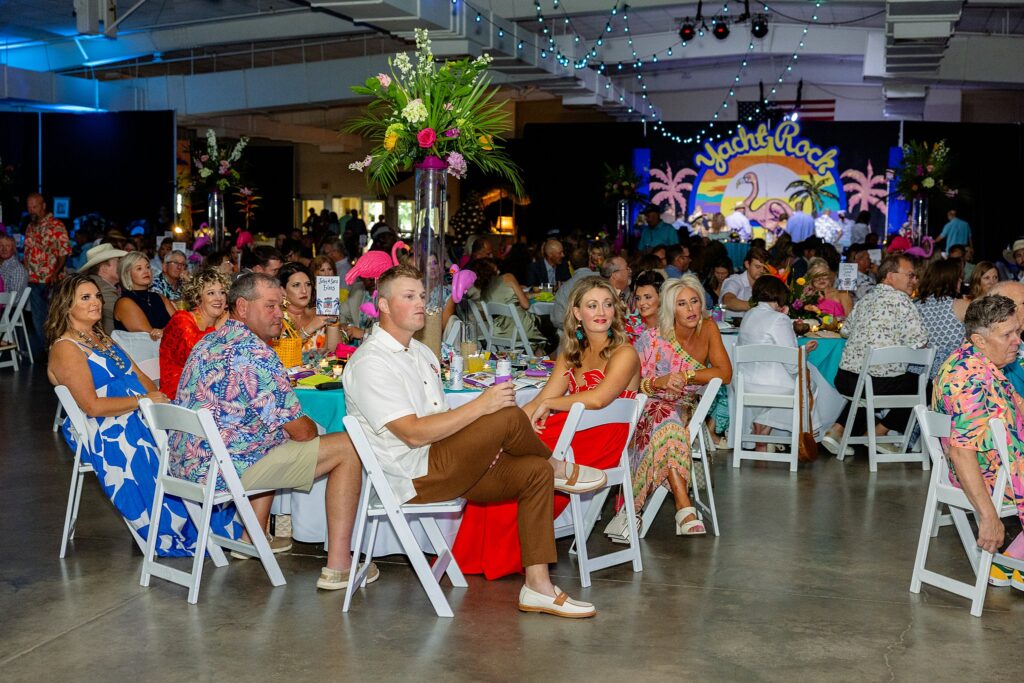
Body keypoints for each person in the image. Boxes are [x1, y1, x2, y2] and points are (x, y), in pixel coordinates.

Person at [344, 264, 605, 617]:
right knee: (508, 414)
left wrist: (484, 438)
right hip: (413, 476)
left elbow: (441, 423)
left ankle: (538, 586)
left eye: (422, 295)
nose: (421, 303)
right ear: (385, 305)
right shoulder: (370, 362)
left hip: (442, 462)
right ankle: (558, 466)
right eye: (409, 297)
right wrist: (482, 409)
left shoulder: (420, 353)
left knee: (533, 472)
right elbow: (413, 433)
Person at [172, 272, 365, 587]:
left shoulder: (210, 338)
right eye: (272, 307)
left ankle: (252, 536)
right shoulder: (256, 352)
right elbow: (303, 433)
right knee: (350, 446)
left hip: (187, 462)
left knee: (270, 434)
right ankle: (340, 566)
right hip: (223, 470)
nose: (280, 315)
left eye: (281, 307)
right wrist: (307, 427)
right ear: (244, 307)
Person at [453, 276, 641, 577]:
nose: (601, 311)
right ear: (578, 313)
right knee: (500, 458)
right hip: (570, 433)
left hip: (601, 439)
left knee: (519, 465)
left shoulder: (625, 353)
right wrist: (509, 424)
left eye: (607, 304)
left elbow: (599, 399)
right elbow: (541, 399)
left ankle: (498, 556)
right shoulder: (571, 354)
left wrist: (550, 406)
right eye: (592, 305)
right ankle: (475, 556)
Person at [45, 274, 240, 555]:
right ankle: (183, 527)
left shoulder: (101, 339)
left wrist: (161, 406)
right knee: (152, 447)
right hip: (103, 428)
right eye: (85, 298)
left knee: (193, 435)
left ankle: (217, 516)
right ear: (66, 306)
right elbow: (92, 407)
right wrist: (144, 401)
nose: (96, 302)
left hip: (135, 412)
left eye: (97, 296)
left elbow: (142, 378)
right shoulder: (67, 348)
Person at [629, 275, 732, 540]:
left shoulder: (708, 328)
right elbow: (634, 387)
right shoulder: (653, 338)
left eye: (694, 301)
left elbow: (725, 373)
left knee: (671, 419)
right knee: (665, 417)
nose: (691, 309)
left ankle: (682, 507)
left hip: (684, 407)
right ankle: (683, 506)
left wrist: (686, 377)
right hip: (647, 407)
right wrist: (662, 383)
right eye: (682, 304)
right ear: (670, 309)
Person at [932, 295, 1024, 588]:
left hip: (1006, 464)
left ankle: (1014, 561)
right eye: (1008, 334)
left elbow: (1016, 407)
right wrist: (988, 517)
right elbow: (961, 453)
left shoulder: (978, 361)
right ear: (980, 340)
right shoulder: (967, 379)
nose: (1017, 341)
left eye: (1018, 332)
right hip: (997, 477)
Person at [821, 255, 928, 456]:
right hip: (877, 385)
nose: (913, 280)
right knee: (926, 383)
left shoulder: (865, 299)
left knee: (867, 383)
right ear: (890, 276)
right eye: (910, 275)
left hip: (846, 379)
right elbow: (920, 341)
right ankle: (878, 434)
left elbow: (845, 331)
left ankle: (836, 430)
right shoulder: (903, 302)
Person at [737, 276, 838, 449]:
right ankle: (764, 424)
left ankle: (764, 429)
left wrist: (803, 351)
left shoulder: (749, 314)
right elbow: (792, 364)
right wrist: (803, 352)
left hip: (744, 381)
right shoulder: (779, 319)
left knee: (803, 384)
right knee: (809, 386)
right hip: (772, 384)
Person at [158, 267, 230, 400]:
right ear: (198, 298)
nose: (218, 298)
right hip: (179, 393)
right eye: (210, 293)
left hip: (209, 388)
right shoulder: (181, 319)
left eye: (222, 292)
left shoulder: (225, 324)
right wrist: (220, 326)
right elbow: (196, 353)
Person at [23, 192, 71, 356]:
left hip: (51, 279)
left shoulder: (56, 225)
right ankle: (45, 353)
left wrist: (54, 274)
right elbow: (27, 253)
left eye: (34, 207)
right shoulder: (30, 226)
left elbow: (64, 253)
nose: (31, 210)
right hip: (33, 278)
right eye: (29, 207)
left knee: (55, 318)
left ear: (43, 206)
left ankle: (59, 351)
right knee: (38, 319)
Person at [467, 258, 546, 356]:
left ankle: (537, 357)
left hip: (499, 332)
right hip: (521, 329)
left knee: (542, 332)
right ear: (491, 268)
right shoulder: (508, 277)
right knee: (549, 326)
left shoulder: (484, 291)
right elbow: (526, 305)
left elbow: (506, 299)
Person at [915, 258, 969, 381]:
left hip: (921, 376)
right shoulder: (960, 305)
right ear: (950, 280)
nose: (961, 281)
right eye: (959, 278)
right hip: (953, 373)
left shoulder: (916, 306)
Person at [275, 262, 341, 359]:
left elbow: (333, 353)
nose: (304, 291)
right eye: (296, 285)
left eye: (308, 284)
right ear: (283, 290)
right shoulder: (276, 317)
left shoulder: (320, 313)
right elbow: (279, 357)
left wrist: (333, 322)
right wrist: (310, 328)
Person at [113, 252, 175, 340]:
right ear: (127, 273)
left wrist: (165, 331)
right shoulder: (124, 303)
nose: (146, 271)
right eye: (139, 268)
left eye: (148, 267)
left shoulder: (159, 297)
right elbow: (149, 338)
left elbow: (181, 324)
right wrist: (169, 330)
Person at [80, 243, 127, 335]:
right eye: (118, 263)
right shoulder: (102, 289)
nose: (122, 266)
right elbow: (126, 315)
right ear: (104, 269)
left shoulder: (97, 283)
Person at [550, 245, 596, 330]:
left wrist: (577, 330)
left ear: (570, 265)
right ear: (589, 261)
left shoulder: (564, 289)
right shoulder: (604, 280)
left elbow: (557, 320)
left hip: (576, 337)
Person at [720, 246, 768, 318]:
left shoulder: (765, 284)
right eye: (758, 267)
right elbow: (728, 302)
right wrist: (757, 306)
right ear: (747, 264)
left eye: (765, 268)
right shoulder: (734, 281)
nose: (762, 271)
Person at [625, 270, 664, 344]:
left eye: (648, 297)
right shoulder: (629, 326)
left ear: (661, 297)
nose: (641, 303)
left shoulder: (672, 326)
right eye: (638, 298)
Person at [0, 233, 29, 302]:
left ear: (13, 249)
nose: (4, 249)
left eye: (8, 246)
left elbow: (15, 298)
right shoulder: (2, 265)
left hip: (8, 309)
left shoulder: (17, 269)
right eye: (1, 246)